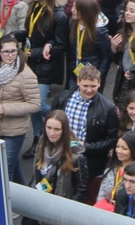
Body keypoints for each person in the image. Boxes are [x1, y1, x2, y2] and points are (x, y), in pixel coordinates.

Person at [50, 65, 118, 199]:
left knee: (86, 197)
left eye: (93, 86)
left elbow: (111, 141)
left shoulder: (108, 108)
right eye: (85, 85)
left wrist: (84, 146)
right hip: (60, 156)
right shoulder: (63, 99)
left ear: (99, 83)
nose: (89, 90)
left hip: (89, 164)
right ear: (78, 81)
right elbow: (49, 123)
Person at [0, 34, 41, 185]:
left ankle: (9, 205)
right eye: (6, 52)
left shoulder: (26, 75)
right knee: (12, 166)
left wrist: (5, 108)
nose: (10, 55)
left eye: (14, 51)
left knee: (4, 170)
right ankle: (25, 195)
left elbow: (35, 104)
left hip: (14, 131)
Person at [22, 0, 68, 157]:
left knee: (37, 104)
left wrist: (36, 52)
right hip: (31, 64)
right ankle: (38, 137)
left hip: (46, 67)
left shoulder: (58, 16)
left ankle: (62, 121)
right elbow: (30, 33)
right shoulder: (34, 8)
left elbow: (60, 45)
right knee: (33, 105)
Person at [24, 110, 88, 218]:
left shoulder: (76, 157)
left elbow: (81, 190)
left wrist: (66, 211)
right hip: (40, 204)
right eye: (49, 128)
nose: (52, 133)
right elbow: (35, 176)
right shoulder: (41, 146)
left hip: (60, 211)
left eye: (57, 129)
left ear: (64, 131)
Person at [67, 0, 111, 91]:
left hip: (91, 78)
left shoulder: (99, 31)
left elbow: (106, 56)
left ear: (85, 11)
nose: (72, 10)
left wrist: (99, 77)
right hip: (75, 75)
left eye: (76, 8)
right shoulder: (73, 23)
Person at [95, 132, 135, 211]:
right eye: (117, 147)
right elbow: (101, 196)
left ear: (133, 150)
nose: (119, 151)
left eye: (124, 148)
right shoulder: (110, 170)